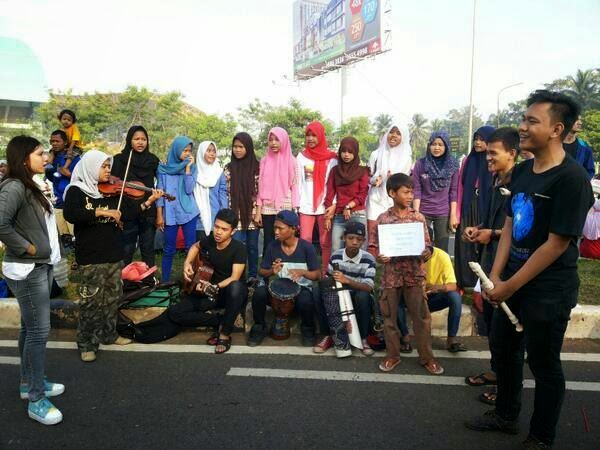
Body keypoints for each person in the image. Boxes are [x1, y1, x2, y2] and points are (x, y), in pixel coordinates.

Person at [465, 90, 594, 449]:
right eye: (523, 119)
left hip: (548, 289)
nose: (522, 127)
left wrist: (510, 285)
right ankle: (505, 416)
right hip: (513, 281)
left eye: (531, 121)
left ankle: (541, 436)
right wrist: (498, 277)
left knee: (543, 363)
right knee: (505, 352)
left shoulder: (571, 179)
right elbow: (509, 226)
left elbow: (556, 244)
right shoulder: (522, 171)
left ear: (556, 129)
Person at [63, 150, 163, 362]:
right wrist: (102, 212)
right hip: (91, 256)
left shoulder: (113, 192)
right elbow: (71, 214)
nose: (108, 170)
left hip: (113, 253)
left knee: (112, 298)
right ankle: (86, 343)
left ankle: (109, 334)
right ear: (91, 167)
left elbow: (129, 212)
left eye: (109, 166)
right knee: (91, 303)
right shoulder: (76, 191)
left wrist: (149, 201)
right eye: (104, 166)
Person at [0, 136, 64, 425]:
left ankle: (29, 384)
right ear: (24, 158)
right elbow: (1, 223)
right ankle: (36, 399)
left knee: (30, 327)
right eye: (39, 154)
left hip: (40, 264)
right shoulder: (14, 186)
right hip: (28, 268)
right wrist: (26, 247)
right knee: (39, 331)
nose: (45, 157)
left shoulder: (31, 185)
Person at [463, 127, 520, 404]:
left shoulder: (521, 183)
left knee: (505, 331)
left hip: (509, 265)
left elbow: (520, 229)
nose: (488, 158)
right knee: (490, 321)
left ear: (512, 154)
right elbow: (495, 220)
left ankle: (507, 391)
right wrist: (479, 229)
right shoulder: (496, 180)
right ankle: (497, 372)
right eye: (486, 153)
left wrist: (493, 234)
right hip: (489, 261)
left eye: (493, 153)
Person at [368, 173, 443, 375]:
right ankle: (392, 355)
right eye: (406, 192)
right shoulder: (382, 220)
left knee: (422, 319)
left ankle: (427, 358)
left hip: (415, 275)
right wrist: (379, 256)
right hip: (391, 277)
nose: (410, 196)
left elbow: (428, 245)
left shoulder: (418, 218)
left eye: (412, 192)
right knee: (389, 319)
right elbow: (373, 247)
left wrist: (428, 252)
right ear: (392, 193)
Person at [170, 208, 247, 354]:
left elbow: (234, 277)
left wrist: (214, 286)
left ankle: (224, 333)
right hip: (211, 292)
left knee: (235, 287)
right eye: (216, 227)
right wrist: (187, 263)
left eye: (224, 229)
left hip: (230, 294)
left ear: (233, 231)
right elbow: (195, 246)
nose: (218, 232)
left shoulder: (239, 248)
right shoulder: (210, 240)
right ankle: (217, 321)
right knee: (175, 312)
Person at [248, 210, 321, 347]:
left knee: (306, 299)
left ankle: (307, 328)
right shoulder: (272, 246)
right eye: (275, 227)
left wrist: (303, 272)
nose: (276, 231)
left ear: (293, 229)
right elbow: (262, 271)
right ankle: (259, 326)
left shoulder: (307, 247)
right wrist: (272, 271)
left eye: (280, 228)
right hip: (278, 293)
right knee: (259, 293)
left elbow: (318, 275)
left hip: (300, 292)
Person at [316, 221, 376, 357]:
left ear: (363, 241)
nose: (354, 242)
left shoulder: (368, 259)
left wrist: (347, 281)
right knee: (318, 292)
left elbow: (368, 287)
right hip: (338, 296)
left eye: (359, 239)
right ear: (343, 238)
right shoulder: (336, 256)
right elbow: (329, 280)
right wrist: (325, 279)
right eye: (350, 238)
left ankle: (363, 338)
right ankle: (327, 335)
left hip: (357, 296)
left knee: (363, 296)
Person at [397, 246, 467, 353]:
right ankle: (405, 337)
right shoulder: (407, 255)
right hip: (411, 296)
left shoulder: (442, 256)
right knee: (396, 298)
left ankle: (451, 340)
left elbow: (453, 286)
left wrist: (437, 287)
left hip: (432, 297)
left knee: (455, 297)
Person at [454, 125, 496, 288]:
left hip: (485, 205)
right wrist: (457, 214)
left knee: (481, 243)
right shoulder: (468, 160)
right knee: (465, 242)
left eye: (482, 140)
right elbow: (460, 187)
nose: (477, 143)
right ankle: (464, 282)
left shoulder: (492, 160)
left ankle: (480, 283)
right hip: (468, 204)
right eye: (476, 139)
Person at [111, 125, 160, 267]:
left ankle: (149, 278)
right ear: (129, 140)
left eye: (143, 139)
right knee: (127, 248)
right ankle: (123, 278)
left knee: (148, 248)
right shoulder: (120, 159)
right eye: (136, 139)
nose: (140, 142)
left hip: (148, 209)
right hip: (128, 210)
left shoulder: (153, 160)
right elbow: (113, 183)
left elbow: (162, 180)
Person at [156, 136, 199, 282]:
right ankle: (165, 282)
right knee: (168, 249)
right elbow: (160, 193)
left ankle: (190, 283)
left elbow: (189, 190)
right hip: (170, 214)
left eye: (189, 151)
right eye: (184, 150)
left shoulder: (192, 168)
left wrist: (187, 169)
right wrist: (159, 215)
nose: (187, 153)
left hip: (189, 212)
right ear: (176, 150)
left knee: (190, 249)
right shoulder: (163, 168)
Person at [296, 121, 337, 273]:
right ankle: (306, 272)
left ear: (321, 136)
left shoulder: (332, 159)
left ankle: (325, 272)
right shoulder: (301, 157)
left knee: (325, 242)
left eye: (314, 135)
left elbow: (334, 184)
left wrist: (333, 204)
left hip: (325, 206)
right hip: (305, 206)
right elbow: (298, 182)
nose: (310, 139)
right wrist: (297, 205)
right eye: (308, 135)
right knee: (305, 241)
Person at [412, 131, 459, 251]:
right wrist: (416, 213)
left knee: (442, 250)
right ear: (429, 146)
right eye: (433, 144)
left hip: (443, 212)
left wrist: (453, 215)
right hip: (423, 211)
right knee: (422, 248)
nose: (436, 148)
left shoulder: (453, 165)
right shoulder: (420, 164)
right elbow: (417, 190)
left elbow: (453, 192)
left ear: (446, 146)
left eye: (440, 144)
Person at [255, 127, 299, 255]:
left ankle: (284, 265)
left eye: (277, 140)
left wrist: (295, 210)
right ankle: (266, 266)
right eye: (270, 140)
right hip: (267, 207)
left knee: (285, 239)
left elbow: (295, 186)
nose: (273, 143)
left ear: (284, 140)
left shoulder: (292, 161)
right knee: (268, 241)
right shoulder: (264, 161)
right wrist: (258, 211)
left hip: (285, 206)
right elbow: (261, 186)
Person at [224, 132, 261, 279]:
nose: (237, 150)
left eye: (241, 147)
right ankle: (238, 278)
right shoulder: (228, 168)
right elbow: (226, 192)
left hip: (252, 213)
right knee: (237, 247)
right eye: (235, 146)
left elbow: (260, 191)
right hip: (235, 214)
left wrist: (258, 212)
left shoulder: (257, 167)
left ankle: (252, 277)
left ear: (248, 148)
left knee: (252, 247)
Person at [366, 124, 413, 240]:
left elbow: (405, 183)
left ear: (403, 137)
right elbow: (366, 177)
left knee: (391, 239)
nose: (394, 135)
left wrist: (394, 179)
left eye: (398, 133)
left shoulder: (406, 158)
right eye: (391, 132)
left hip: (395, 202)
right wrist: (374, 180)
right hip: (375, 200)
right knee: (373, 237)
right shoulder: (375, 154)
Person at [324, 136, 370, 252]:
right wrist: (328, 216)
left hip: (357, 214)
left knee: (360, 250)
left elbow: (363, 194)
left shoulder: (362, 171)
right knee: (336, 249)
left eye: (350, 152)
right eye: (343, 151)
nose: (346, 155)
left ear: (355, 153)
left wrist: (349, 206)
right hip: (339, 215)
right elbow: (330, 193)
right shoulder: (335, 171)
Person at [48, 129, 80, 244]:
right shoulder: (52, 158)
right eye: (52, 141)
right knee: (64, 237)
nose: (54, 144)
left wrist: (68, 174)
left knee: (75, 236)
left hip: (71, 202)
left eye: (57, 141)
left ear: (65, 142)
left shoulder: (75, 158)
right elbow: (51, 177)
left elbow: (80, 178)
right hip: (59, 202)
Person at [194, 141, 227, 241]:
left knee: (215, 246)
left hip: (215, 216)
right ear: (201, 152)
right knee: (200, 246)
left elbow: (222, 193)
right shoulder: (194, 171)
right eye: (208, 150)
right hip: (197, 217)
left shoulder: (219, 172)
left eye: (214, 151)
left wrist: (224, 214)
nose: (212, 154)